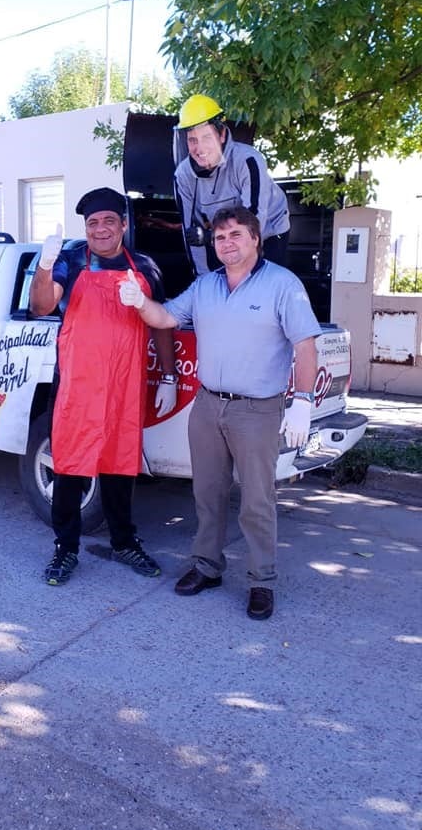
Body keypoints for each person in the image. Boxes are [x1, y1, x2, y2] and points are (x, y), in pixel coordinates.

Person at [118, 205, 321, 619]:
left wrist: (302, 401)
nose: (226, 243)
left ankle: (262, 581)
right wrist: (140, 301)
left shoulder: (283, 285)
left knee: (257, 500)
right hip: (208, 405)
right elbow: (164, 317)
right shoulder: (205, 286)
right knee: (207, 494)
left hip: (257, 410)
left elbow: (305, 346)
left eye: (235, 235)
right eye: (219, 237)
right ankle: (207, 567)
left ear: (255, 239)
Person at [29, 186, 177, 586]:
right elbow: (41, 306)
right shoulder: (73, 260)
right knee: (71, 466)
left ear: (124, 225)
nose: (100, 229)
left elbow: (161, 322)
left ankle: (124, 541)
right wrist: (45, 265)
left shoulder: (144, 266)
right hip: (78, 385)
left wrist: (168, 375)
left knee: (119, 465)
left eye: (109, 220)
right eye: (93, 223)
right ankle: (65, 549)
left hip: (124, 386)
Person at [172, 94, 290, 277]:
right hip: (221, 233)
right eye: (192, 140)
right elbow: (191, 234)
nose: (200, 148)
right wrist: (203, 282)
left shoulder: (248, 160)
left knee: (260, 285)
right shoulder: (182, 176)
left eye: (206, 137)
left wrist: (212, 238)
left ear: (222, 135)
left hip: (268, 229)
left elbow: (254, 222)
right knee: (215, 284)